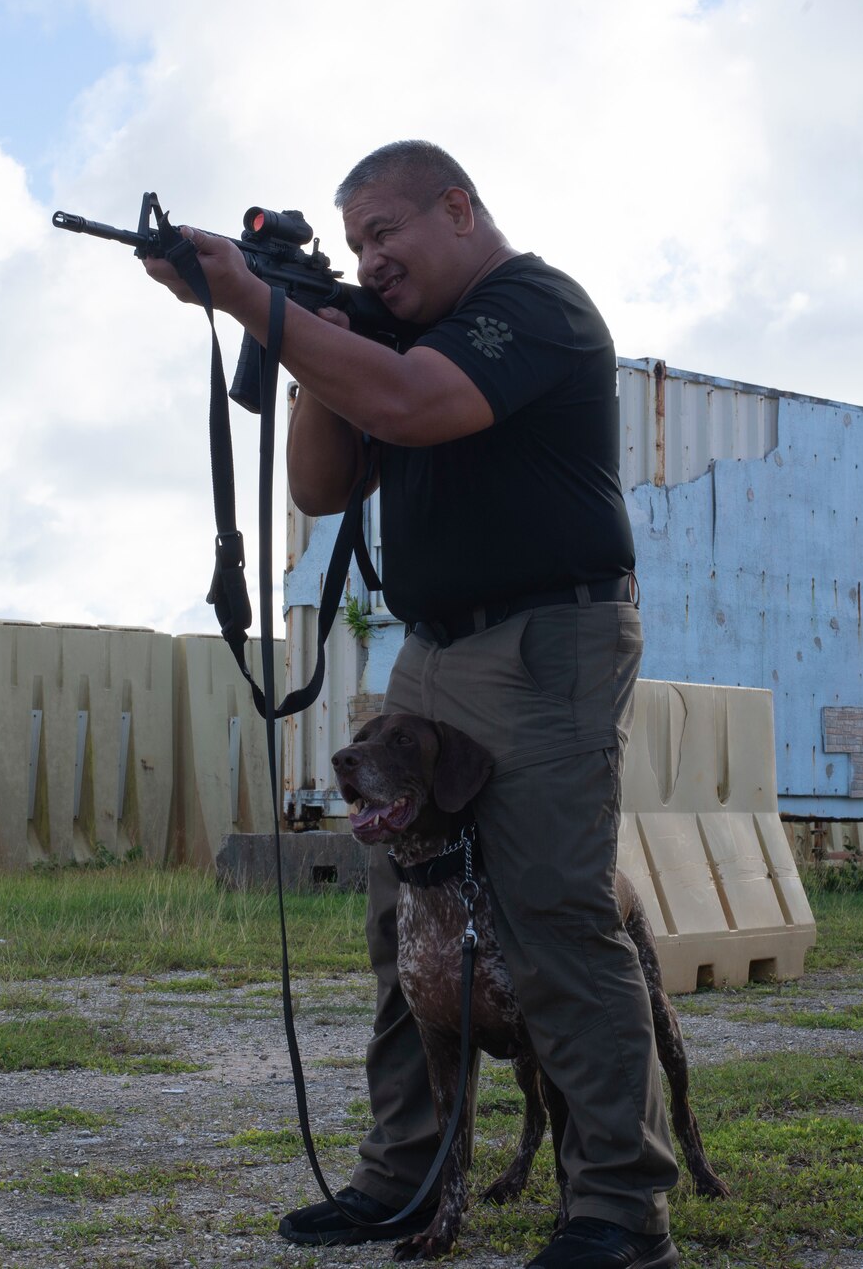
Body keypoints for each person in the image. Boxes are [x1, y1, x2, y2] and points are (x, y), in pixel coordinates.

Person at [145, 140, 679, 1269]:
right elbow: (320, 485)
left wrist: (258, 299)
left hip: (546, 641)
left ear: (458, 207)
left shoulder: (533, 306)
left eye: (385, 234)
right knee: (407, 923)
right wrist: (287, 327)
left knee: (552, 917)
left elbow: (408, 403)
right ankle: (404, 1180)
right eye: (350, 249)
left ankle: (617, 1212)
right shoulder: (391, 338)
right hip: (433, 650)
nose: (370, 261)